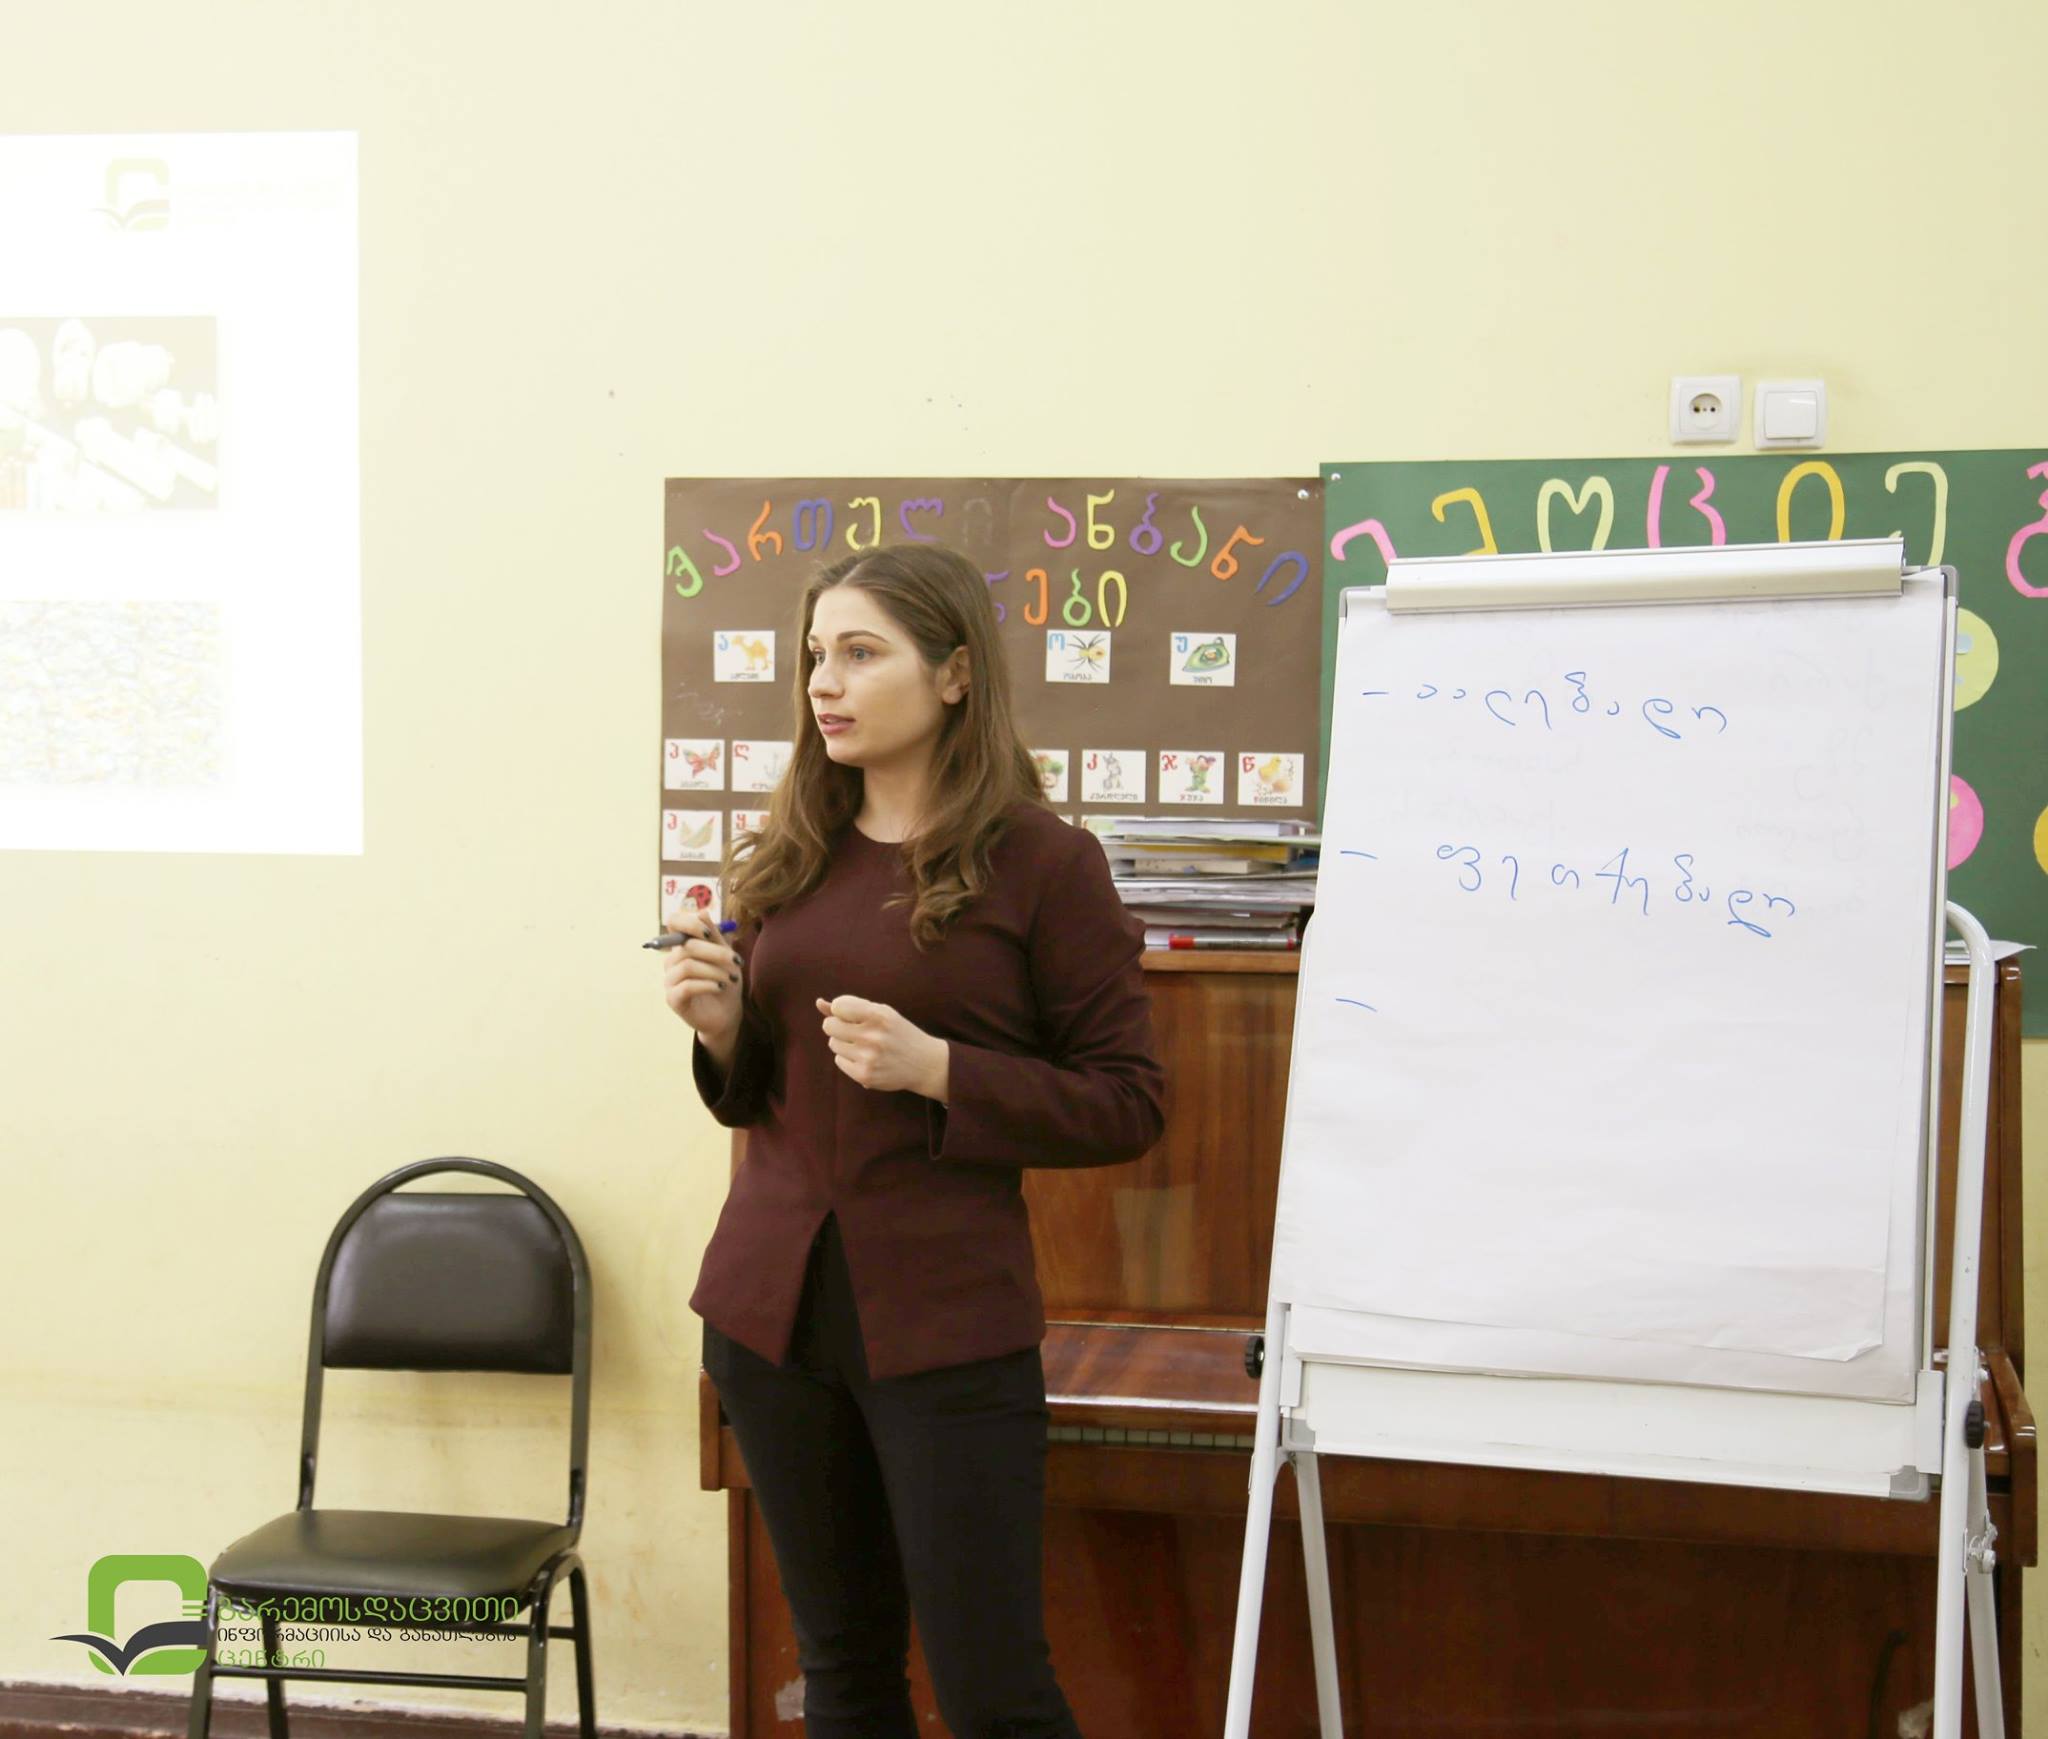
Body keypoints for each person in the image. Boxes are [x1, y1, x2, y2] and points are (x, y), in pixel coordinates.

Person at [661, 540, 1166, 1738]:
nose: (822, 683)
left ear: (952, 673)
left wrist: (942, 1070)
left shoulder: (1045, 862)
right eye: (813, 655)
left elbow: (1127, 1101)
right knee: (840, 1672)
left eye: (859, 652)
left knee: (992, 1690)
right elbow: (765, 1097)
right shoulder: (790, 848)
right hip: (770, 1316)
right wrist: (723, 1030)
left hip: (942, 1321)